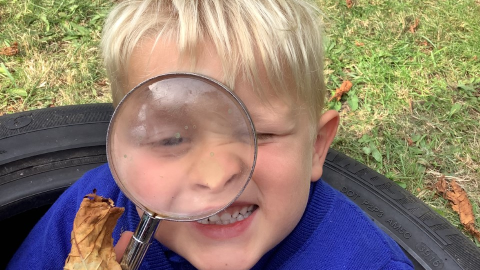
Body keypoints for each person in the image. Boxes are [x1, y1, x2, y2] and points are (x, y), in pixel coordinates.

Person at [7, 0, 413, 269]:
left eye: (262, 133)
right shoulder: (88, 218)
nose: (216, 176)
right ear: (123, 146)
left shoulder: (363, 261)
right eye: (170, 139)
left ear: (316, 148)